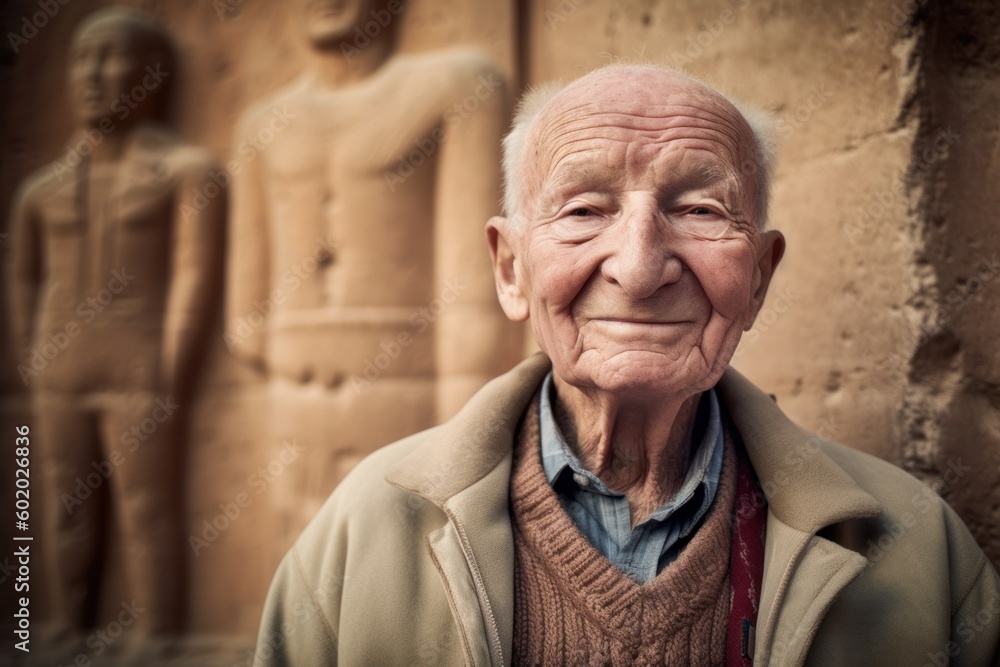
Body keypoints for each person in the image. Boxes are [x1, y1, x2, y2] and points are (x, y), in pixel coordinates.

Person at [252, 64, 1000, 666]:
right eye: (583, 211)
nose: (639, 268)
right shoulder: (362, 535)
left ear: (759, 278)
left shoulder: (920, 555)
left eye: (702, 209)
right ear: (511, 269)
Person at [227, 0, 521, 551]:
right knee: (301, 547)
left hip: (405, 377)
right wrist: (276, 350)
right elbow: (246, 309)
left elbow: (470, 271)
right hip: (296, 381)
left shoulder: (454, 88)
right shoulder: (263, 124)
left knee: (399, 551)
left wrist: (464, 411)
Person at [7, 7, 223, 641]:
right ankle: (48, 627)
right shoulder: (40, 190)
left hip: (138, 364)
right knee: (52, 500)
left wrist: (169, 363)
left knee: (145, 505)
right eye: (81, 59)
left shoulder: (185, 174)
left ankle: (153, 635)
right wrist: (32, 353)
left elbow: (194, 272)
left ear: (151, 75)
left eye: (111, 57)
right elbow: (23, 276)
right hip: (59, 368)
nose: (92, 74)